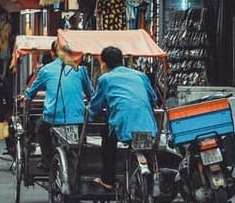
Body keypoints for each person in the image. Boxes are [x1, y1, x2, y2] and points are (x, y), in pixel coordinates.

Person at [87, 46, 159, 190]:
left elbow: (95, 107)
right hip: (148, 125)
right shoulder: (140, 76)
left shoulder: (105, 79)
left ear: (104, 63)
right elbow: (153, 98)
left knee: (107, 138)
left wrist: (91, 116)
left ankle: (108, 180)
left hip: (122, 125)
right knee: (147, 150)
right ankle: (152, 182)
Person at [22, 40, 92, 170]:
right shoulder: (80, 70)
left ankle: (47, 161)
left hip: (53, 117)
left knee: (40, 129)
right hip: (77, 118)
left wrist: (25, 96)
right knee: (81, 138)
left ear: (53, 54)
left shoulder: (46, 70)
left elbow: (30, 92)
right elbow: (90, 93)